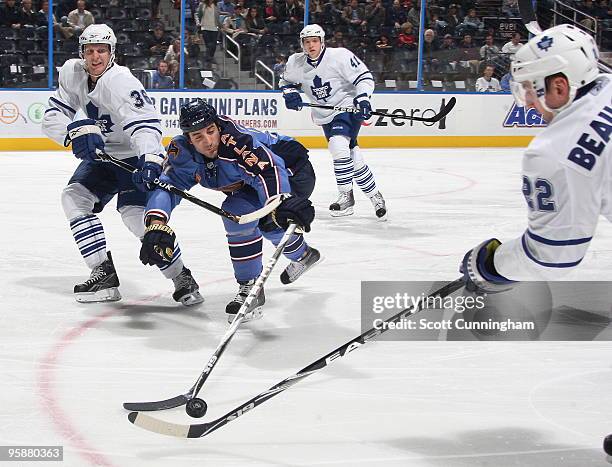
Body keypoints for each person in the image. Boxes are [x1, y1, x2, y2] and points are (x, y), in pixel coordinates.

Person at [41, 24, 203, 306]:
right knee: (74, 197)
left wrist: (150, 160)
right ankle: (102, 272)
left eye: (101, 50)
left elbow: (146, 124)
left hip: (132, 156)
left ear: (112, 53)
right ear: (81, 52)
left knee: (135, 216)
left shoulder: (122, 82)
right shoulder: (71, 72)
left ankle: (181, 277)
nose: (95, 57)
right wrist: (73, 132)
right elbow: (52, 116)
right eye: (89, 51)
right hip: (103, 157)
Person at [141, 99, 320, 323]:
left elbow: (269, 170)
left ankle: (297, 257)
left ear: (218, 126)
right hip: (250, 184)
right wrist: (156, 222)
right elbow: (168, 186)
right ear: (188, 139)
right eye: (198, 137)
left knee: (270, 219)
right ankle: (262, 279)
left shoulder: (237, 142)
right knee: (239, 214)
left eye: (211, 131)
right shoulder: (183, 154)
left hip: (293, 171)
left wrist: (280, 201)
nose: (208, 142)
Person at [460, 24, 607, 293]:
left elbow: (554, 257)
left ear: (560, 86)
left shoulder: (554, 151)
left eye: (528, 88)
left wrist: (490, 266)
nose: (526, 102)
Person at [280, 24, 387, 220]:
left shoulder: (340, 56)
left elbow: (364, 77)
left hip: (347, 108)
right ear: (302, 44)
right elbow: (285, 82)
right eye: (307, 42)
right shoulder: (296, 62)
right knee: (353, 158)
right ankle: (375, 196)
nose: (311, 45)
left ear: (322, 41)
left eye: (314, 41)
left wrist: (363, 98)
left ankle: (346, 195)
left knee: (338, 145)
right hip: (324, 115)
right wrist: (290, 94)